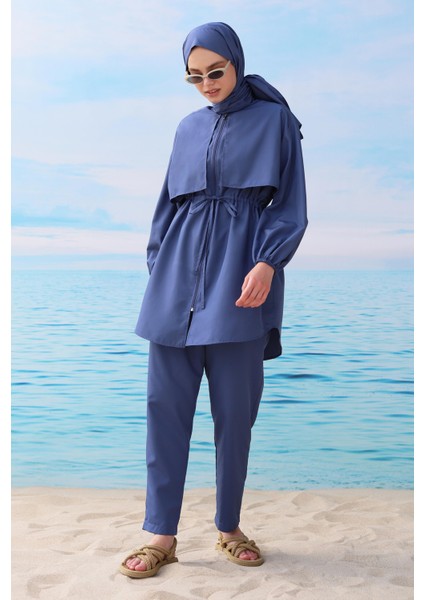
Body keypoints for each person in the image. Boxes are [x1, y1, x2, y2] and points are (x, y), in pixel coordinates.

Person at [119, 21, 307, 578]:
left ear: (236, 63)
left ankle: (229, 527)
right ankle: (161, 535)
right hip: (174, 284)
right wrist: (158, 270)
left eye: (215, 72)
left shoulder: (274, 120)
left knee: (235, 415)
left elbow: (290, 203)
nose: (207, 84)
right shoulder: (187, 128)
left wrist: (268, 262)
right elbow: (166, 208)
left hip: (240, 277)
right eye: (194, 76)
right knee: (164, 412)